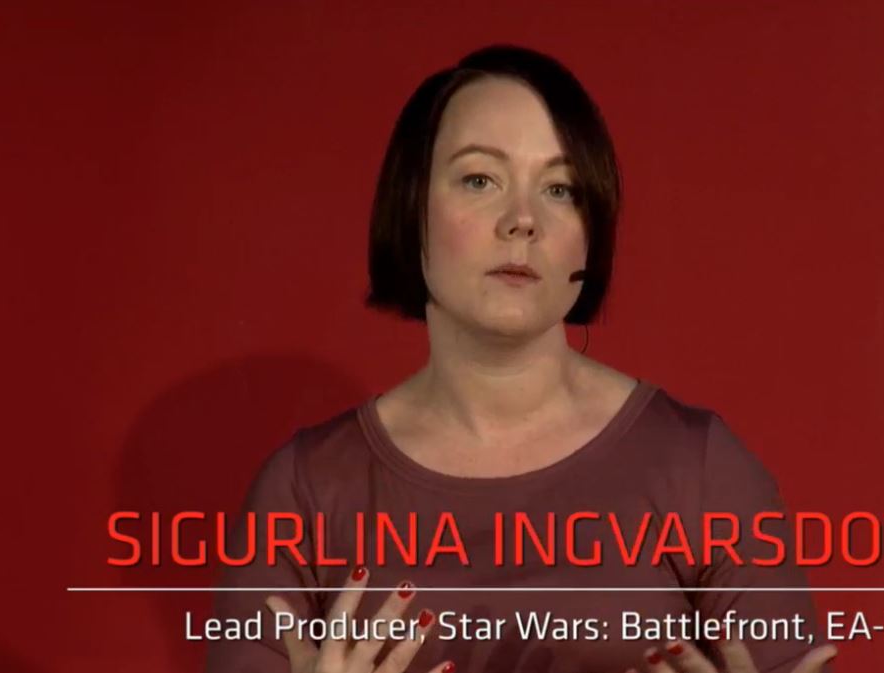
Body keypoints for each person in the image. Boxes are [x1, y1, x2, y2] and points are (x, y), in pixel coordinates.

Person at [205, 44, 836, 673]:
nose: (523, 220)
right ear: (411, 205)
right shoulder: (305, 489)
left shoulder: (699, 468)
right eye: (480, 180)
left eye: (560, 189)